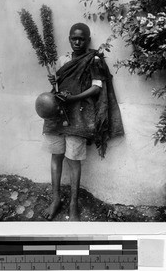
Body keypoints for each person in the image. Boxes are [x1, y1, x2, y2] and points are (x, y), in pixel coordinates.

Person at [42, 23, 124, 221]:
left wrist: (73, 98)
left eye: (81, 38)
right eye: (73, 38)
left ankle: (73, 204)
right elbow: (61, 86)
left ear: (87, 40)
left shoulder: (94, 60)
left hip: (79, 115)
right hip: (58, 114)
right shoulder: (62, 59)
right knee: (56, 156)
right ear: (69, 39)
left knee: (73, 159)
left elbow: (96, 88)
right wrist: (54, 84)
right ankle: (55, 200)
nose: (77, 42)